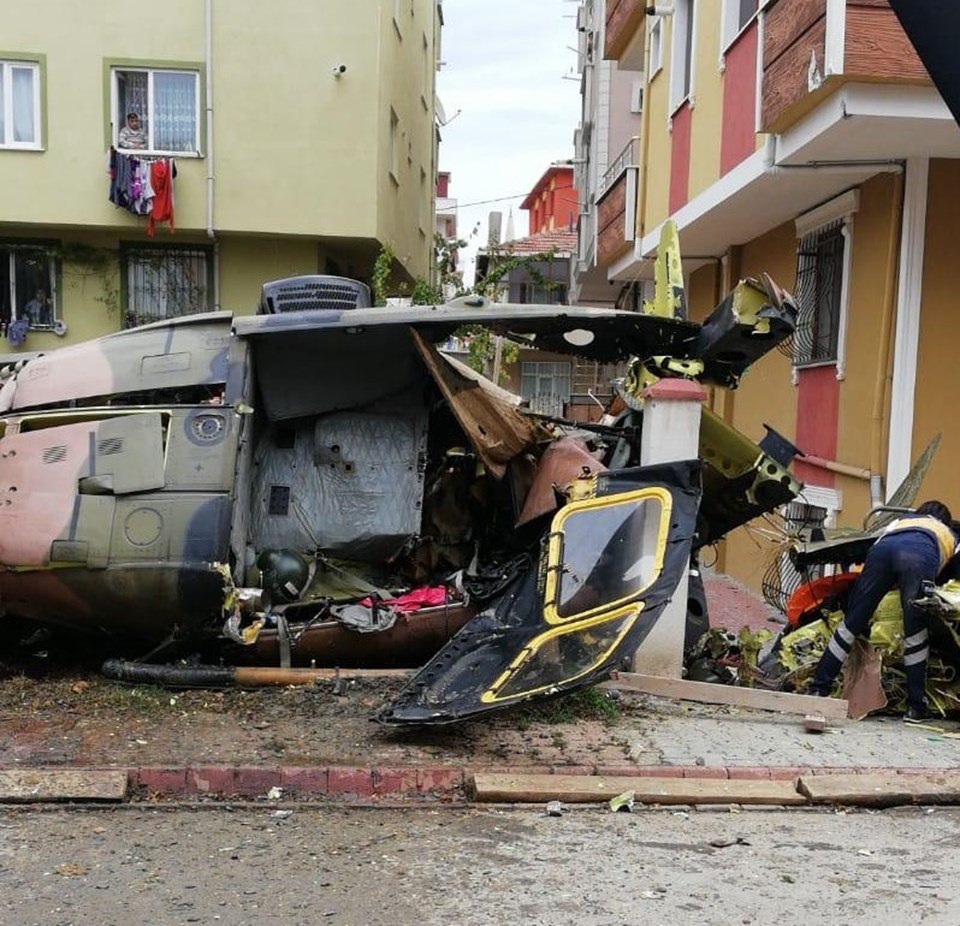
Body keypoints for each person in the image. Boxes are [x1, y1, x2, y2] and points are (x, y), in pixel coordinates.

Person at [809, 500, 959, 722]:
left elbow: (875, 548)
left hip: (881, 552)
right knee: (915, 633)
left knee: (851, 624)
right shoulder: (949, 533)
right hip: (919, 556)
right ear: (945, 520)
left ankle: (818, 689)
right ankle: (916, 708)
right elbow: (952, 574)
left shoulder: (899, 521)